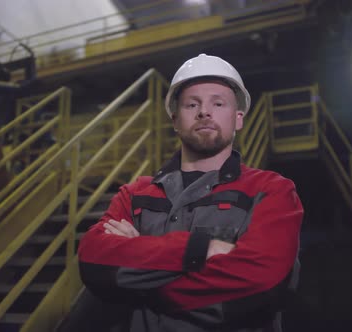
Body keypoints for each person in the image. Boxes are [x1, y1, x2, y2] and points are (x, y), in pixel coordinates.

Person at [77, 54, 303, 332]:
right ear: (175, 120)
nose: (204, 112)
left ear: (238, 118)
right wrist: (201, 249)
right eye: (191, 104)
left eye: (218, 103)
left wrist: (143, 286)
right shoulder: (135, 193)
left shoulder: (271, 190)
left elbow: (263, 281)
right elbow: (93, 260)